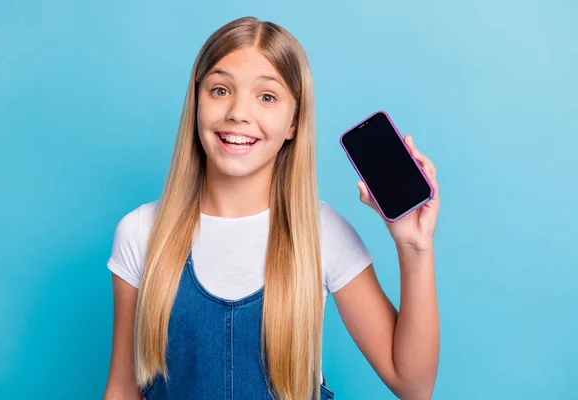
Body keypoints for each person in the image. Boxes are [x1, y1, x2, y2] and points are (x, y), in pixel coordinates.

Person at [103, 16, 440, 400]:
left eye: (266, 96)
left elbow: (413, 385)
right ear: (196, 102)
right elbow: (122, 389)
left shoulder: (321, 232)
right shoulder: (142, 231)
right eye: (219, 90)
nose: (238, 113)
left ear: (294, 122)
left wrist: (415, 249)